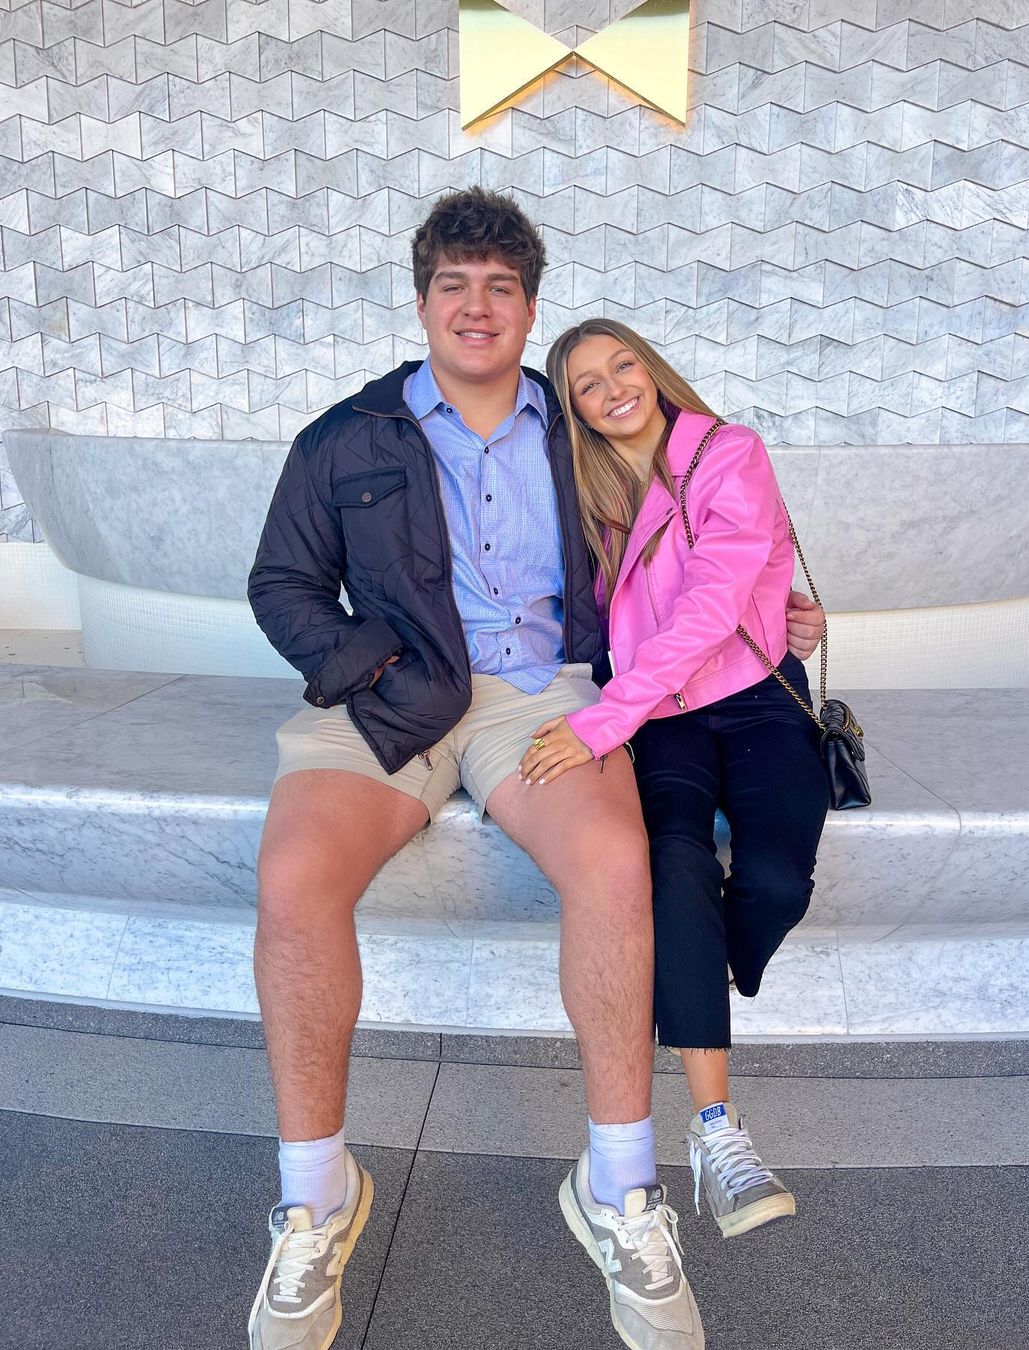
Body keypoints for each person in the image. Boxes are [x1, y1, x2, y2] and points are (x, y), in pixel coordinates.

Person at [246, 187, 823, 1350]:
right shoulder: (346, 436)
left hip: (542, 697)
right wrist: (369, 663)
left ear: (529, 307)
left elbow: (690, 536)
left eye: (500, 287)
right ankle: (316, 1199)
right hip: (391, 697)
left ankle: (619, 1187)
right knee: (295, 879)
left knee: (613, 867)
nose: (477, 306)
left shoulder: (578, 431)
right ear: (422, 303)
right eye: (454, 285)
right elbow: (282, 584)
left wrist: (772, 615)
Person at [521, 318, 831, 1242]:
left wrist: (601, 720)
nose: (613, 388)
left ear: (652, 371)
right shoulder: (588, 495)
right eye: (587, 384)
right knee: (678, 867)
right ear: (575, 410)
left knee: (776, 881)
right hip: (662, 720)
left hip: (755, 698)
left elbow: (709, 604)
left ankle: (704, 963)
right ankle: (715, 1130)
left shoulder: (728, 453)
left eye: (623, 365)